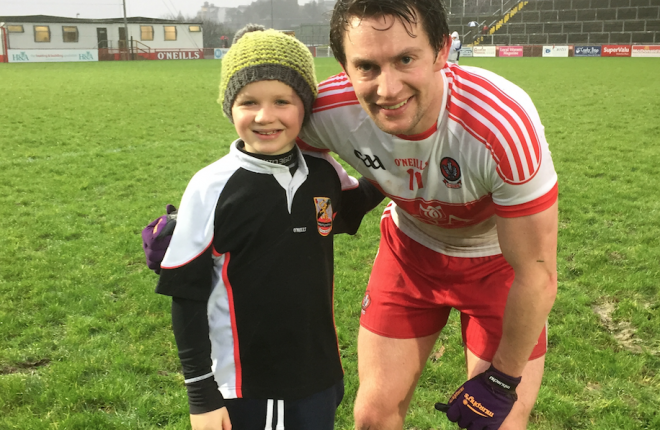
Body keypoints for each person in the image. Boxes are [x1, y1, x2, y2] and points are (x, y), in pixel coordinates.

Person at [296, 0, 559, 429]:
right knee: (372, 417)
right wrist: (340, 198)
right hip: (411, 254)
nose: (387, 88)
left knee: (501, 423)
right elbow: (273, 149)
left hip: (500, 266)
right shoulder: (330, 109)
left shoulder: (500, 126)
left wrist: (502, 381)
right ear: (343, 66)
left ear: (442, 50)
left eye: (405, 59)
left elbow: (536, 274)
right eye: (366, 66)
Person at [149, 25, 383, 430]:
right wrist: (201, 395)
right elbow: (185, 297)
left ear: (304, 108)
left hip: (320, 377)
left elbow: (348, 208)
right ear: (229, 107)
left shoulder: (323, 171)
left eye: (282, 101)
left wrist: (406, 167)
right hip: (249, 386)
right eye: (248, 102)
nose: (265, 116)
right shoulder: (211, 187)